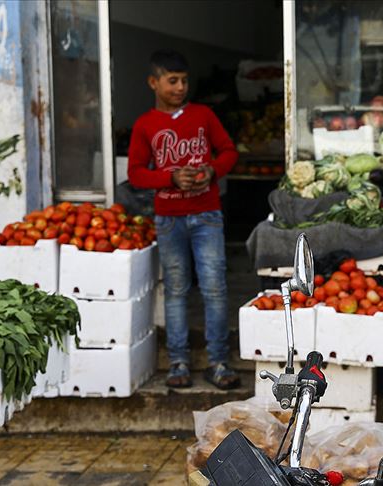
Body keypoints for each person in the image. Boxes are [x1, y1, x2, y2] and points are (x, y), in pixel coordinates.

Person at [128, 49, 240, 389]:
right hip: (169, 219)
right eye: (172, 80)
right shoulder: (145, 125)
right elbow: (135, 174)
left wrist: (212, 171)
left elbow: (230, 152)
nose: (180, 87)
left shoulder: (204, 115)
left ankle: (219, 362)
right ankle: (178, 362)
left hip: (207, 215)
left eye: (184, 81)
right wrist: (170, 179)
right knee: (176, 291)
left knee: (215, 289)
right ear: (153, 82)